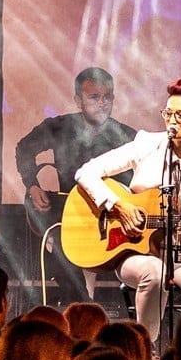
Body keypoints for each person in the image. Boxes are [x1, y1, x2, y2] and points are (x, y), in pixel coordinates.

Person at [75, 78, 181, 345]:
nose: (172, 121)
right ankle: (145, 351)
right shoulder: (146, 144)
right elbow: (86, 171)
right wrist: (119, 206)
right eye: (168, 113)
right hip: (136, 251)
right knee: (155, 272)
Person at [15, 69, 137, 307]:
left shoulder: (126, 136)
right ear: (78, 100)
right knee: (60, 252)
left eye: (107, 97)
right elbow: (24, 149)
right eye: (94, 97)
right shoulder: (59, 127)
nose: (102, 103)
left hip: (112, 220)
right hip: (71, 216)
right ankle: (83, 310)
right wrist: (32, 185)